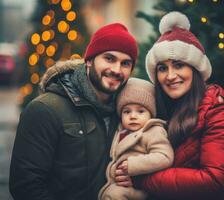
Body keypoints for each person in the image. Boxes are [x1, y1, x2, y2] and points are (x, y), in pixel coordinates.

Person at [115, 12, 224, 200]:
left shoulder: (221, 111)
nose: (170, 76)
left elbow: (215, 180)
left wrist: (141, 178)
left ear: (194, 69)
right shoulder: (160, 110)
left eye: (178, 65)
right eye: (162, 68)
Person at [9, 23, 138, 200]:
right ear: (89, 60)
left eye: (125, 63)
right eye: (109, 58)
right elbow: (26, 187)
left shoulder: (129, 112)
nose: (116, 70)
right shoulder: (45, 110)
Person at [98, 78, 174, 200]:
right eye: (127, 112)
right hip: (116, 182)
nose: (133, 116)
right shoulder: (119, 131)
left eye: (140, 111)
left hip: (138, 187)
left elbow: (165, 156)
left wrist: (134, 164)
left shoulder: (153, 131)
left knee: (113, 195)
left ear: (151, 113)